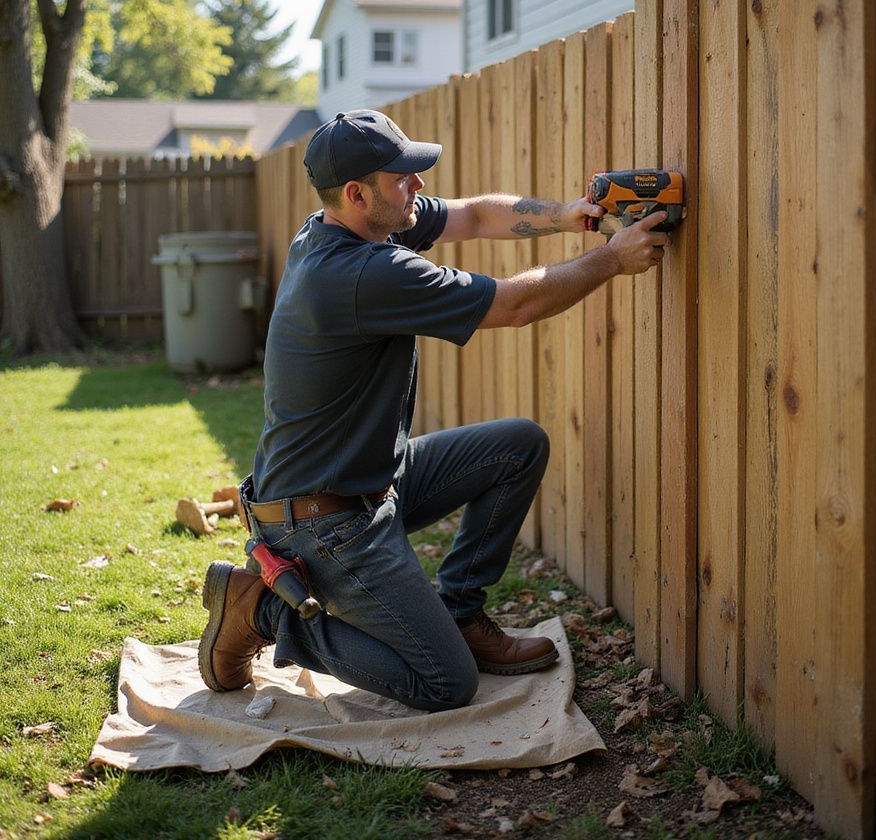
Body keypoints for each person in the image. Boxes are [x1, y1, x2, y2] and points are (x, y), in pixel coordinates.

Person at [198, 109, 668, 711]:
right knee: (444, 683)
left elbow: (473, 214)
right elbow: (515, 307)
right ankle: (262, 610)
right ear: (357, 193)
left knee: (516, 446)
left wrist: (566, 215)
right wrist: (611, 258)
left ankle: (461, 615)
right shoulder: (363, 273)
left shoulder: (343, 227)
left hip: (366, 481)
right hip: (322, 521)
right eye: (403, 178)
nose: (417, 187)